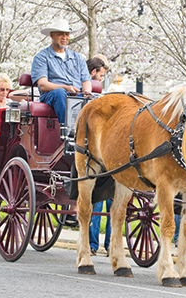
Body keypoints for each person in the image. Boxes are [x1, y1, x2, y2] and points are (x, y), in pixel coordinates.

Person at [31, 19, 92, 127]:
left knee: (97, 100)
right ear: (52, 35)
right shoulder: (41, 57)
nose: (64, 38)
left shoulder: (78, 58)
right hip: (53, 95)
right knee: (60, 93)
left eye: (67, 34)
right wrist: (65, 88)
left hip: (77, 94)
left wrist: (87, 91)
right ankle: (69, 131)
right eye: (60, 34)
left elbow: (86, 80)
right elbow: (43, 84)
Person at [87, 55, 111, 255]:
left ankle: (111, 244)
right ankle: (93, 245)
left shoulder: (102, 97)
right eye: (101, 76)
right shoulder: (85, 92)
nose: (102, 80)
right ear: (93, 73)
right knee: (97, 201)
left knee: (112, 200)